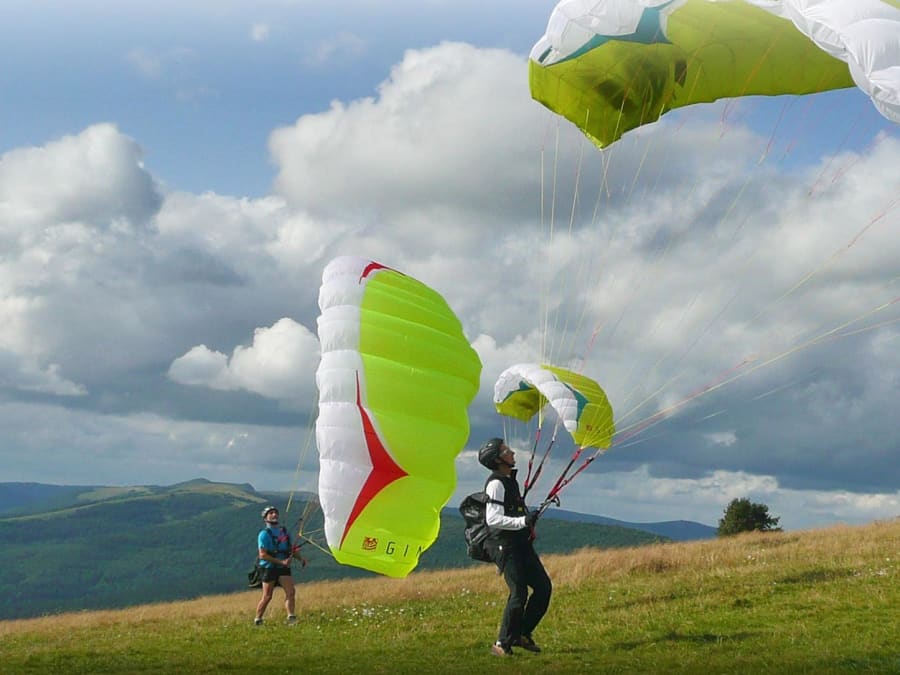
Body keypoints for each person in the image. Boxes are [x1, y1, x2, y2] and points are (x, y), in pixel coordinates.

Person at [478, 437, 552, 657]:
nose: (512, 453)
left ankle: (521, 633)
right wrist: (522, 522)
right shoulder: (496, 484)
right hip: (504, 545)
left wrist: (527, 520)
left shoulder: (510, 480)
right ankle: (502, 643)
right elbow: (493, 519)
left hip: (520, 542)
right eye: (506, 451)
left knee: (543, 588)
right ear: (498, 460)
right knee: (518, 592)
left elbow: (513, 511)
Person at [254, 505, 306, 626]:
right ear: (265, 518)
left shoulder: (284, 532)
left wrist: (301, 559)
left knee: (291, 592)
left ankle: (291, 617)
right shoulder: (263, 534)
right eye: (270, 513)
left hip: (283, 567)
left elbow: (291, 548)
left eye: (275, 513)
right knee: (267, 596)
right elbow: (263, 555)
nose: (274, 515)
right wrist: (281, 562)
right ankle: (258, 619)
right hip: (268, 567)